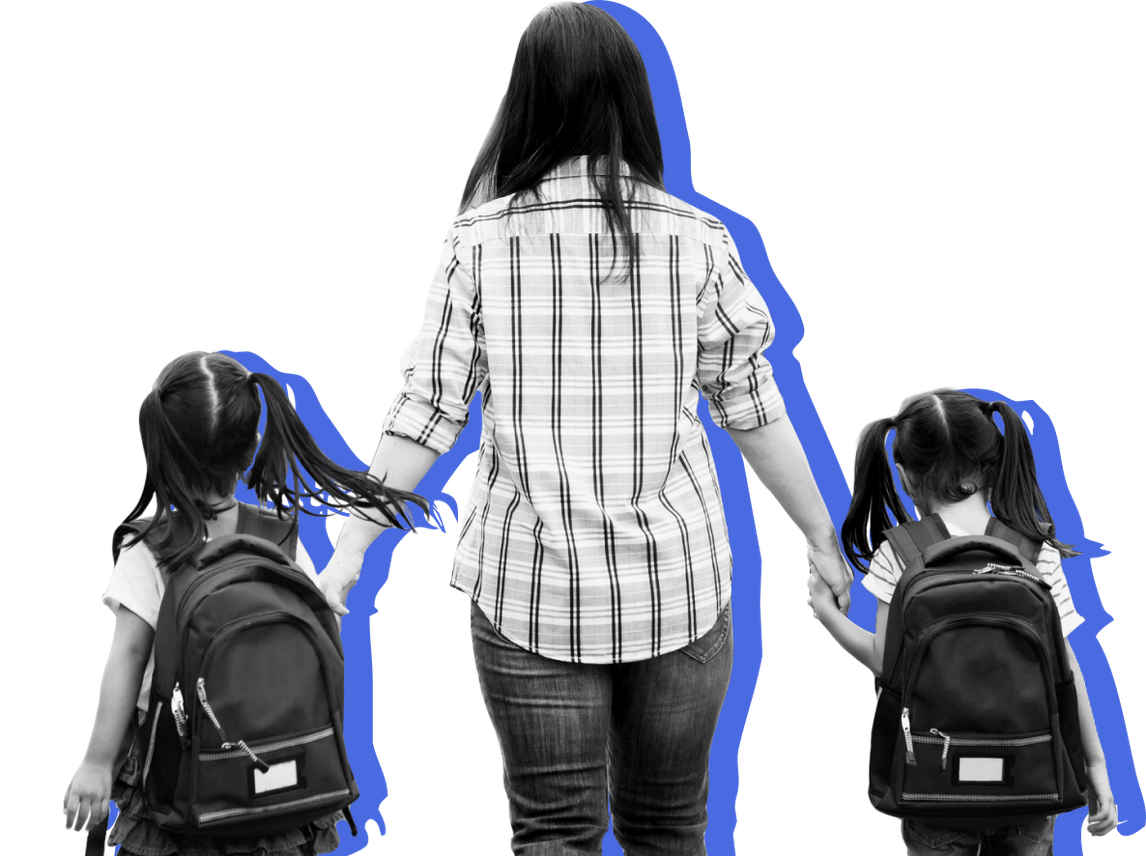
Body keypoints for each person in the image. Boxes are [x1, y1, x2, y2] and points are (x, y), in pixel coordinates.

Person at [315, 3, 850, 853]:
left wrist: (349, 553)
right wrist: (822, 533)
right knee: (671, 829)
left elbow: (427, 411)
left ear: (525, 97)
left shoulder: (478, 240)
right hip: (680, 581)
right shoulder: (700, 239)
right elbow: (755, 410)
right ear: (632, 101)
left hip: (528, 588)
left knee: (553, 833)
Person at [60, 350, 429, 856]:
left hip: (182, 789)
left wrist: (97, 763)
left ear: (161, 447)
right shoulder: (281, 539)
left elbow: (126, 659)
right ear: (251, 447)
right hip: (282, 784)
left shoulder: (153, 547)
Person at [805, 387, 1118, 855]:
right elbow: (1067, 672)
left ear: (906, 475)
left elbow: (887, 663)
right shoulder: (1035, 552)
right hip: (1030, 782)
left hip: (934, 784)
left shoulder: (903, 553)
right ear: (992, 462)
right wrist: (1094, 766)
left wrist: (829, 616)